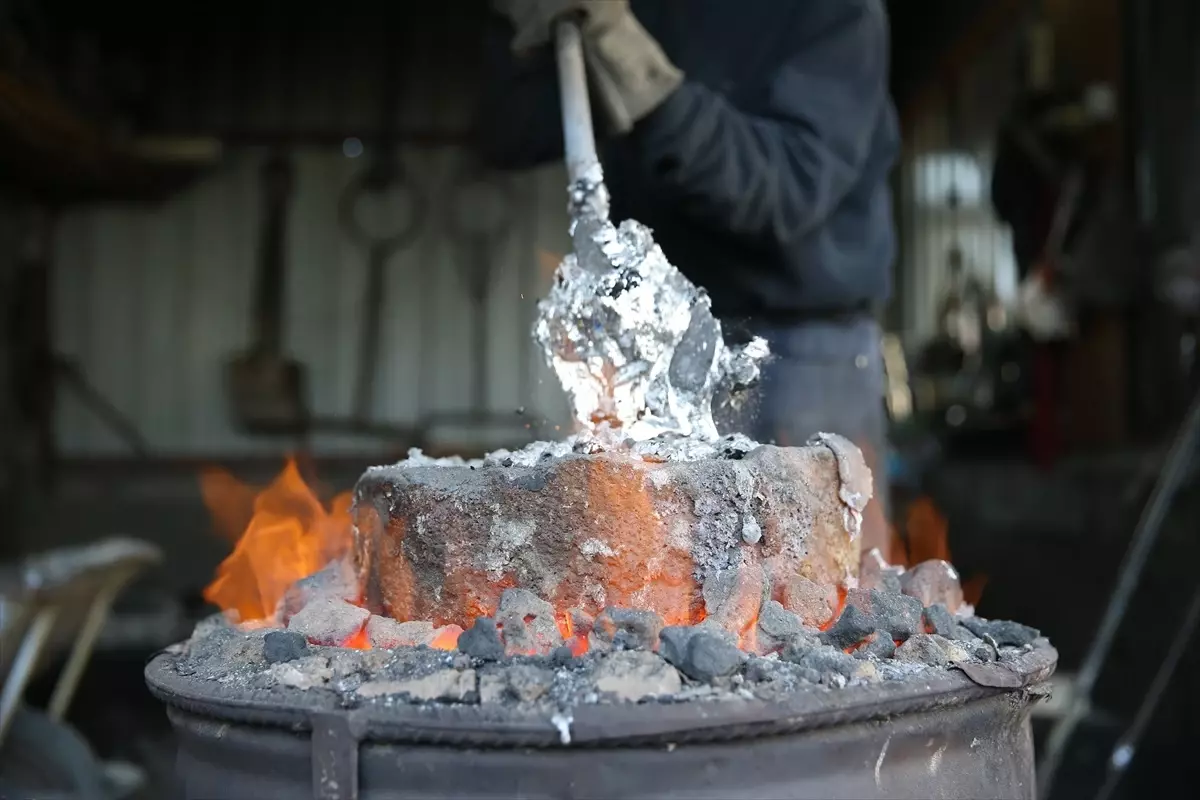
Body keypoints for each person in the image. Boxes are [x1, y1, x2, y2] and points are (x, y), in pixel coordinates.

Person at [479, 0, 899, 555]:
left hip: (799, 357)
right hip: (661, 350)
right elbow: (509, 131)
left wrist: (632, 64)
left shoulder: (834, 13)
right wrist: (520, 33)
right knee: (657, 589)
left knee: (824, 599)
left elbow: (785, 189)